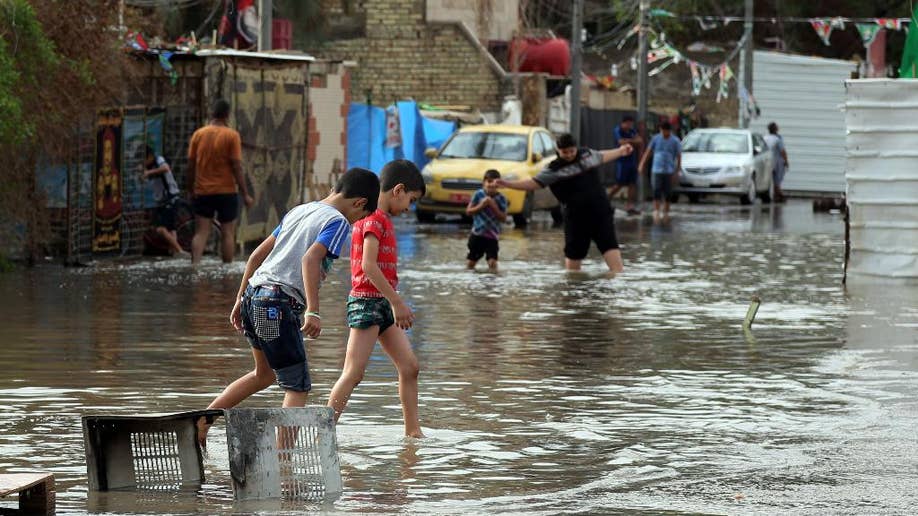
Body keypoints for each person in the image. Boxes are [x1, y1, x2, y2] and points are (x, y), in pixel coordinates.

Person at [196, 168, 380, 446]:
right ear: (360, 203)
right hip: (279, 303)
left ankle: (204, 419)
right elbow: (310, 260)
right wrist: (313, 311)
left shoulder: (299, 210)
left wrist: (239, 298)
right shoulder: (338, 221)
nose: (356, 223)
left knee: (264, 374)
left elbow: (257, 255)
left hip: (254, 296)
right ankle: (283, 462)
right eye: (360, 218)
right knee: (298, 386)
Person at [327, 159, 426, 438]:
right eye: (411, 200)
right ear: (398, 190)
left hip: (382, 303)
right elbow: (368, 266)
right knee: (353, 373)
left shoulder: (381, 219)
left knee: (410, 367)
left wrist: (392, 302)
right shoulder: (372, 220)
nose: (409, 207)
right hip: (367, 303)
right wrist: (397, 302)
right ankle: (325, 430)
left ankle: (413, 433)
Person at [497, 133, 633, 273]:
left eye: (571, 151)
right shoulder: (553, 169)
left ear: (576, 147)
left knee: (616, 266)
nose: (568, 155)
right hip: (576, 219)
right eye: (564, 152)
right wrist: (507, 184)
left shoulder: (587, 155)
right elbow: (533, 183)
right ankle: (572, 292)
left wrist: (621, 151)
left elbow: (601, 156)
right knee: (573, 270)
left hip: (601, 214)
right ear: (558, 150)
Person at [187, 98, 255, 264]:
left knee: (201, 232)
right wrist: (245, 193)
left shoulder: (198, 135)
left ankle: (195, 265)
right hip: (226, 191)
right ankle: (226, 268)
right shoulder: (231, 135)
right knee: (227, 232)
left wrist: (190, 188)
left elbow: (190, 165)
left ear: (213, 114)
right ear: (227, 115)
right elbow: (236, 166)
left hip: (203, 191)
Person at [142, 146, 187, 257]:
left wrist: (149, 173)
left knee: (161, 229)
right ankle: (174, 251)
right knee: (171, 228)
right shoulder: (148, 167)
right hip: (161, 201)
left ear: (150, 156)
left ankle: (180, 251)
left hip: (170, 198)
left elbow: (166, 168)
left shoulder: (159, 160)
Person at [465, 169, 508, 271]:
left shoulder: (501, 198)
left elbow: (503, 218)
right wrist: (482, 205)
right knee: (471, 263)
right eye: (489, 181)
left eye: (495, 182)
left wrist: (493, 206)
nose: (491, 185)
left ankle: (492, 283)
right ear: (484, 183)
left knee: (492, 263)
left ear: (498, 184)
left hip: (492, 236)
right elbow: (468, 212)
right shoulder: (478, 195)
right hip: (477, 234)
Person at [638, 121, 682, 220]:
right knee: (656, 190)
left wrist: (678, 170)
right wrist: (642, 164)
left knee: (667, 192)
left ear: (669, 131)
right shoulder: (656, 139)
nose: (664, 133)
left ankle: (666, 211)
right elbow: (648, 152)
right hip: (656, 169)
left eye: (665, 131)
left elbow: (679, 156)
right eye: (662, 131)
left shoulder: (675, 140)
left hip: (669, 169)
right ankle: (656, 210)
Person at [607, 115, 643, 215]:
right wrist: (632, 141)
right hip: (622, 161)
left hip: (632, 161)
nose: (629, 125)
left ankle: (630, 206)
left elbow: (640, 141)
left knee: (632, 183)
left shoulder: (632, 131)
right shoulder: (618, 130)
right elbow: (621, 142)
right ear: (623, 123)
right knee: (619, 183)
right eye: (628, 123)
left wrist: (628, 141)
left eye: (631, 124)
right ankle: (606, 200)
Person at [763, 122, 789, 202]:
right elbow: (782, 151)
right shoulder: (777, 139)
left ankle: (774, 195)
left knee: (768, 179)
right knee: (777, 180)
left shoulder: (765, 138)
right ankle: (779, 195)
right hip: (777, 161)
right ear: (775, 129)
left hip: (766, 161)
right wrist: (786, 161)